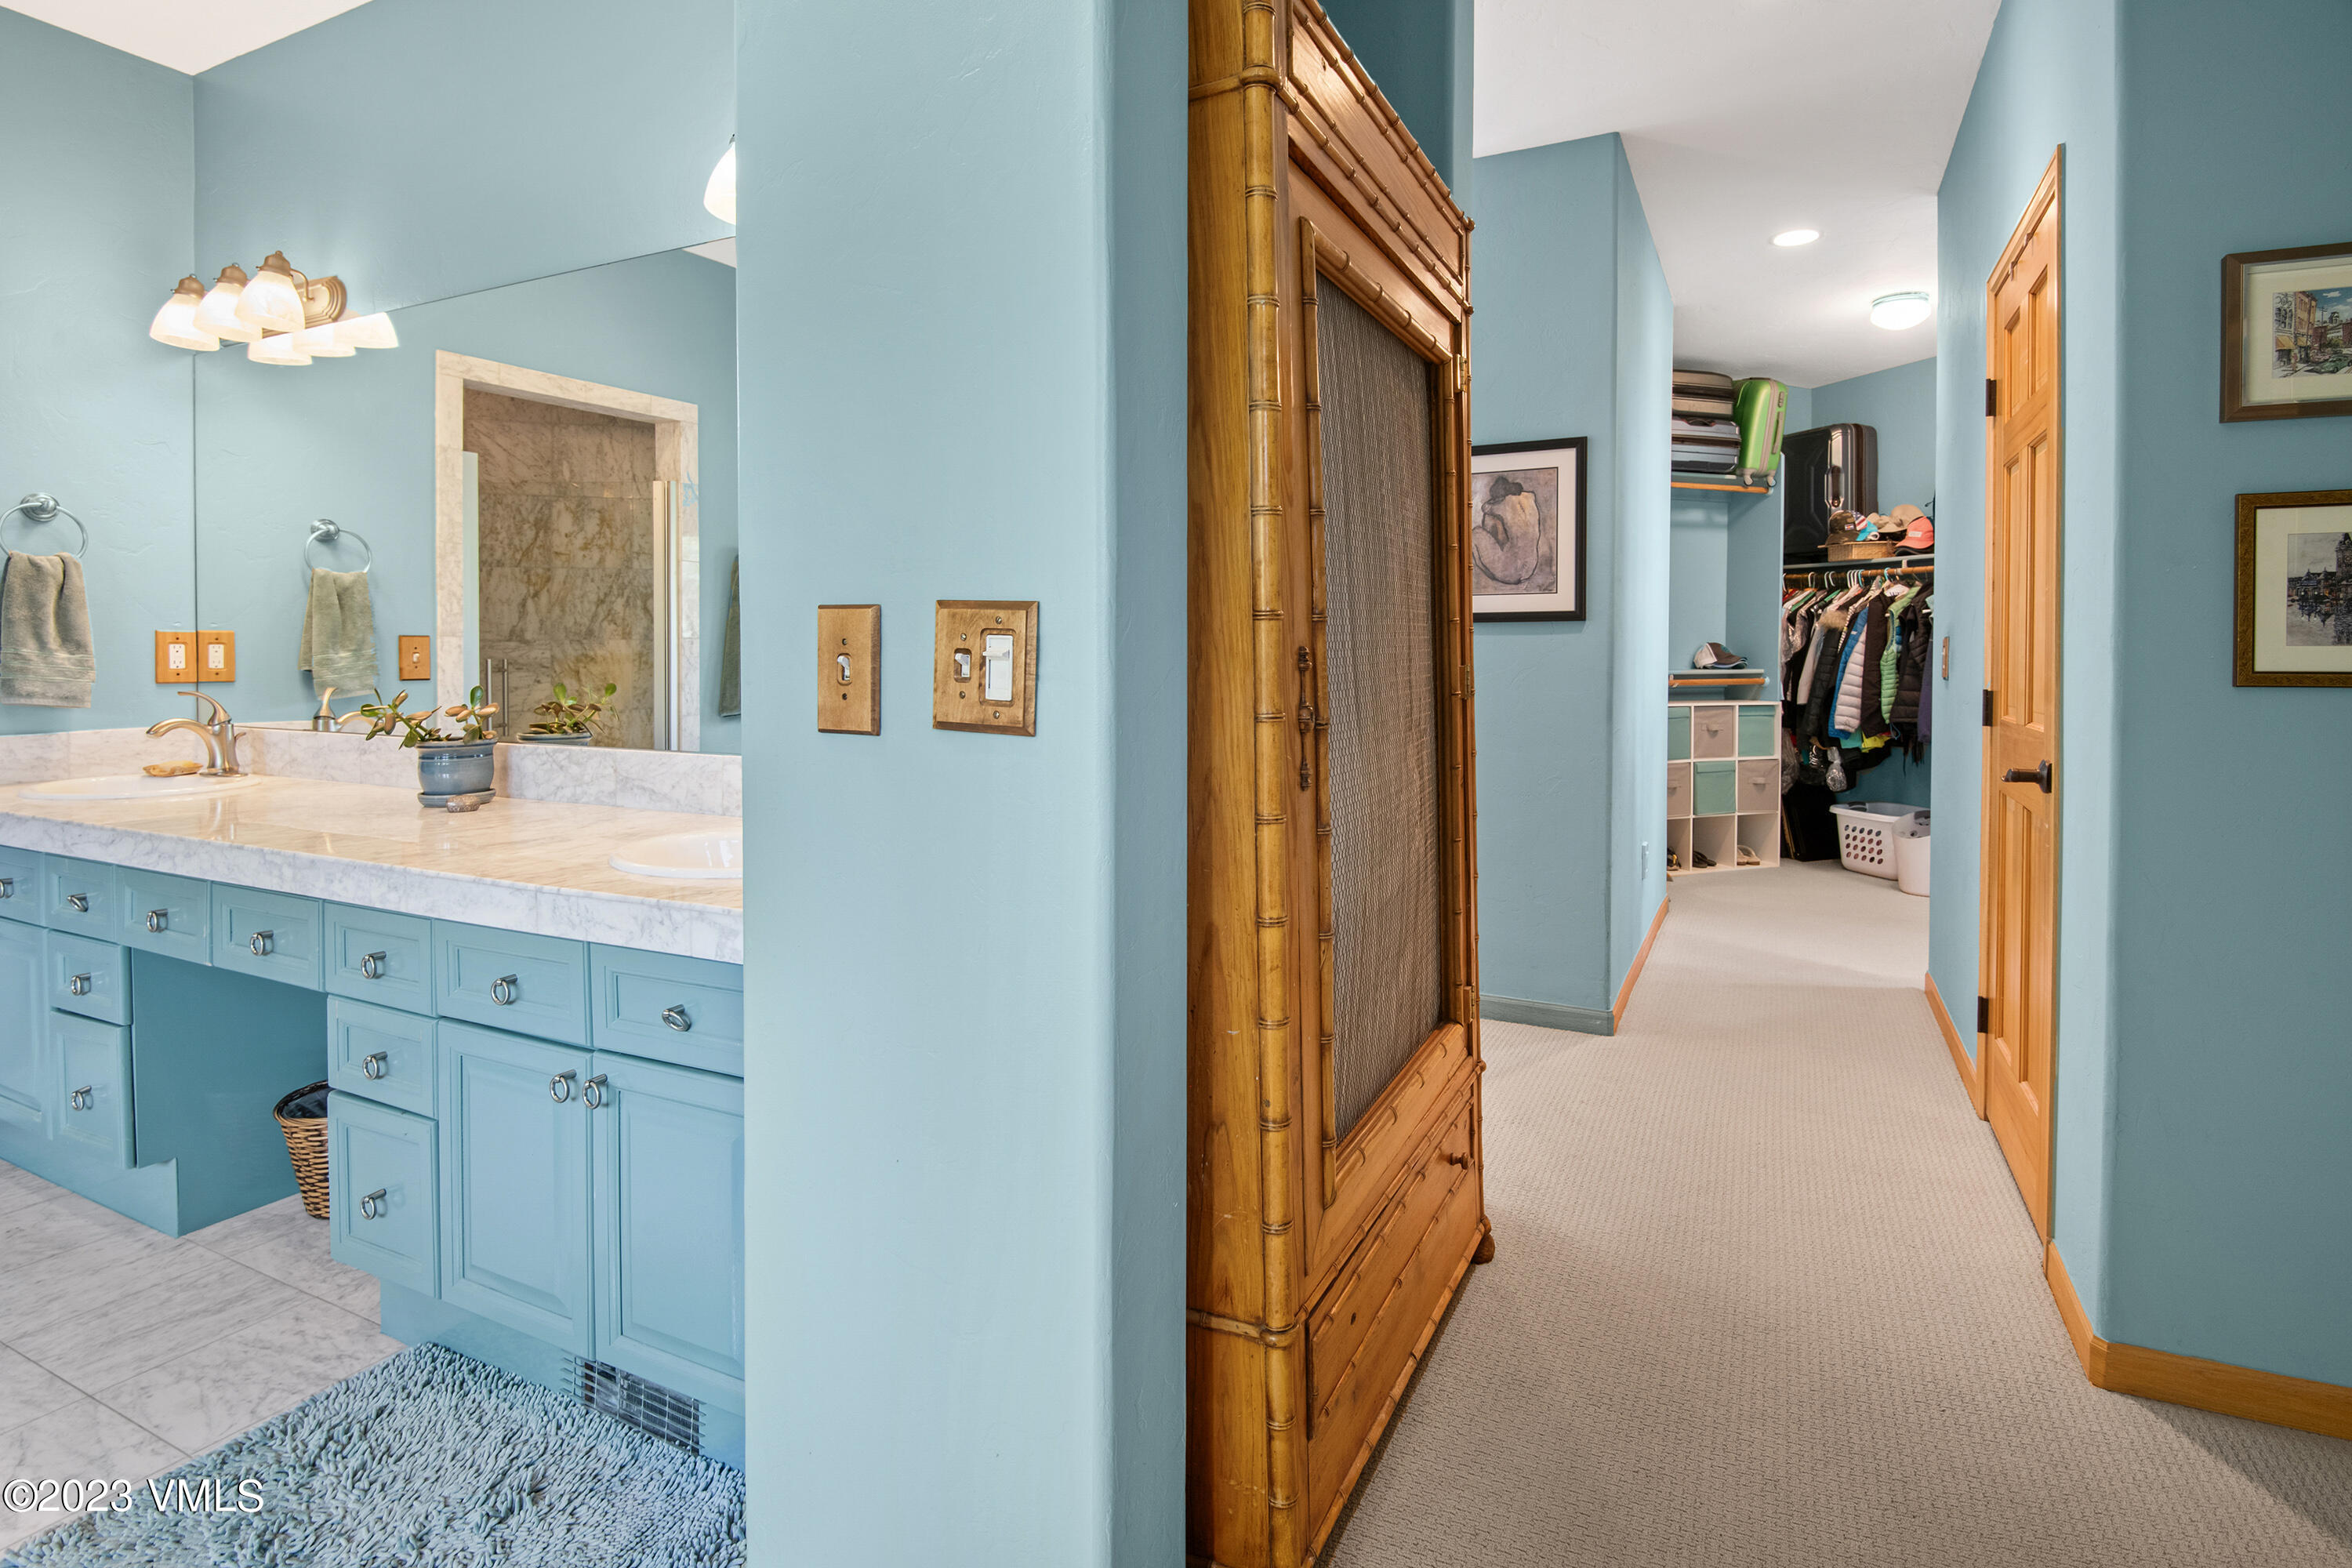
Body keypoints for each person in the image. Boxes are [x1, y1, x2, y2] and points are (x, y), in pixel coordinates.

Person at [1472, 474, 1555, 594]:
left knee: (1475, 532)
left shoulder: (1501, 505)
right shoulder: (1530, 499)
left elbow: (1485, 508)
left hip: (1509, 571)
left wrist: (1494, 503)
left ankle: (1493, 574)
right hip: (1529, 569)